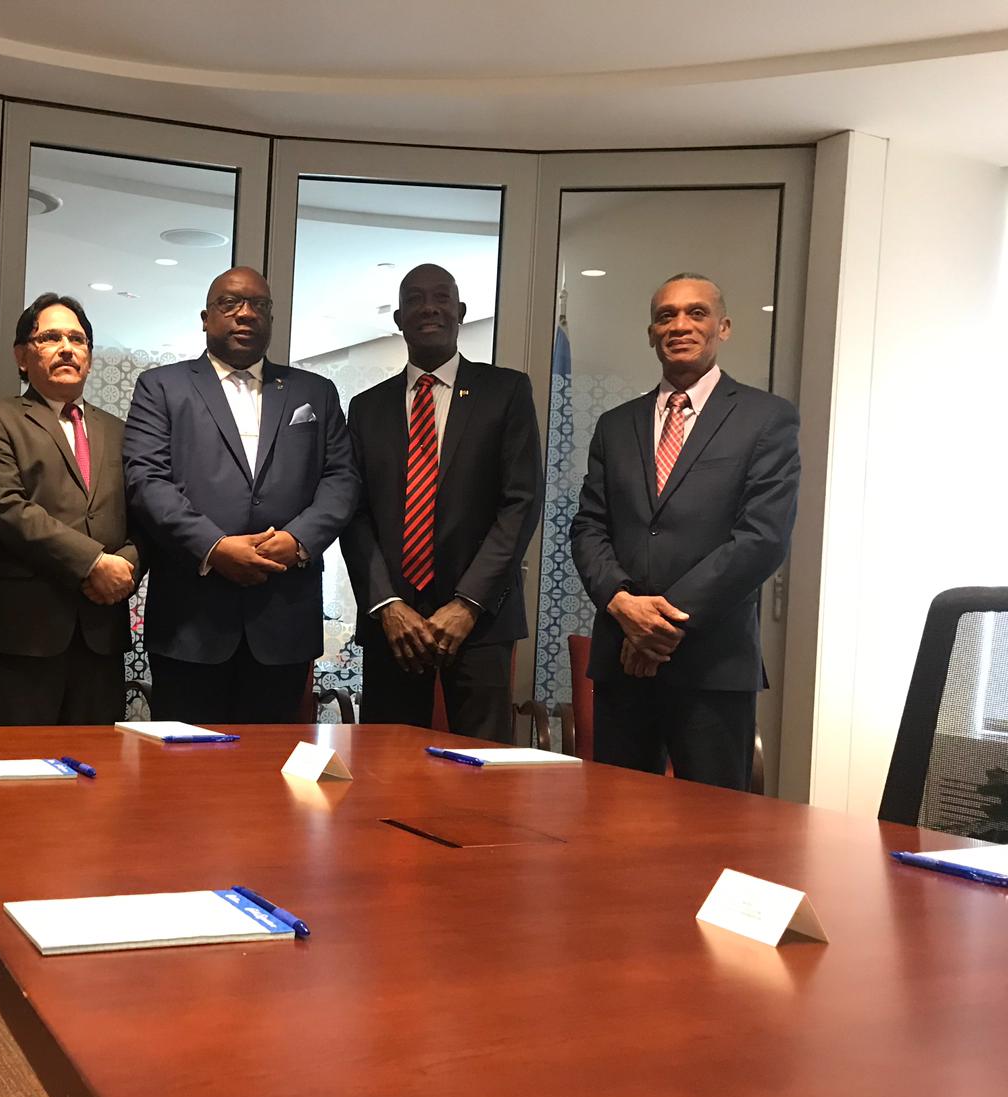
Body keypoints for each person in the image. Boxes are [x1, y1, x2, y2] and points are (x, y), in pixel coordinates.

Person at [570, 273, 800, 790]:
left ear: (724, 327)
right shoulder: (615, 425)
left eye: (696, 313)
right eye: (665, 316)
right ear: (651, 333)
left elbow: (762, 538)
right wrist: (623, 604)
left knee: (712, 825)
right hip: (622, 661)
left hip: (712, 664)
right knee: (613, 819)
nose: (680, 325)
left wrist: (659, 625)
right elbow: (589, 526)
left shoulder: (766, 418)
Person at [123, 267, 359, 723]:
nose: (246, 313)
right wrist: (214, 547)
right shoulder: (162, 387)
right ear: (205, 318)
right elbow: (146, 479)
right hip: (190, 620)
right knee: (185, 760)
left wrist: (299, 541)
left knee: (273, 760)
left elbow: (342, 479)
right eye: (230, 303)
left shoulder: (316, 392)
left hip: (284, 617)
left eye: (259, 305)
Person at [341, 264, 541, 740]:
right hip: (393, 625)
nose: (428, 307)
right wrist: (387, 604)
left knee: (482, 768)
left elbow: (520, 503)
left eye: (441, 297)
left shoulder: (506, 391)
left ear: (461, 311)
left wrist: (467, 604)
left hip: (481, 621)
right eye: (414, 299)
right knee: (388, 764)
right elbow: (353, 513)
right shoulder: (366, 408)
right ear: (398, 318)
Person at [0, 294, 139, 725]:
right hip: (22, 636)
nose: (66, 348)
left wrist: (127, 566)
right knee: (16, 763)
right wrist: (93, 562)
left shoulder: (119, 431)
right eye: (50, 338)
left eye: (77, 340)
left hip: (101, 633)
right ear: (22, 357)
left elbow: (145, 514)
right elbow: (6, 508)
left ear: (90, 359)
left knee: (97, 763)